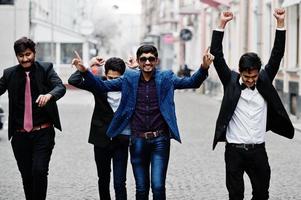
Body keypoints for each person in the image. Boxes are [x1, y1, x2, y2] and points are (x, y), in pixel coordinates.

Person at [71, 44, 214, 200]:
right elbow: (101, 86)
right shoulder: (129, 79)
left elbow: (192, 82)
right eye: (143, 59)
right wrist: (85, 70)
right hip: (138, 140)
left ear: (156, 60)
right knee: (141, 189)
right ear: (138, 62)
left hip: (160, 139)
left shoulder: (166, 77)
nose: (147, 62)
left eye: (151, 59)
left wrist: (204, 67)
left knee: (158, 186)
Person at [210, 9, 294, 200]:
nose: (250, 80)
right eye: (247, 76)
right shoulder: (230, 81)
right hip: (234, 151)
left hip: (258, 150)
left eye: (253, 76)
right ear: (240, 71)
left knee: (262, 194)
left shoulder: (264, 80)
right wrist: (221, 24)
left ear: (258, 73)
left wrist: (280, 23)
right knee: (236, 194)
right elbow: (217, 54)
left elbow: (277, 54)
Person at [0, 37, 66, 200]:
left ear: (34, 53)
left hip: (43, 132)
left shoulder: (46, 69)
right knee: (27, 175)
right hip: (20, 134)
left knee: (39, 170)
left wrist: (49, 95)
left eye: (28, 54)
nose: (25, 59)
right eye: (21, 56)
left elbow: (60, 87)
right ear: (17, 56)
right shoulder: (9, 74)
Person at [68, 56, 130, 200]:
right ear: (105, 74)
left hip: (121, 139)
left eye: (117, 78)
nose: (113, 81)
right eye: (109, 77)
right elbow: (73, 81)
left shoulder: (128, 85)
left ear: (122, 76)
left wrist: (136, 68)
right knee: (103, 179)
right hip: (101, 138)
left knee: (120, 182)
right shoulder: (99, 83)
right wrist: (89, 65)